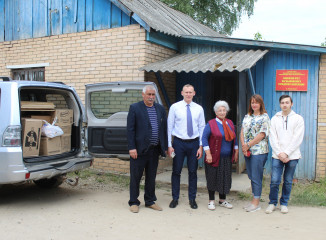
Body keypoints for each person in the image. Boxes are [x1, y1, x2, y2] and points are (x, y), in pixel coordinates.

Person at [127, 85, 167, 213]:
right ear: (143, 95)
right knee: (136, 177)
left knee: (151, 177)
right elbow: (130, 130)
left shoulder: (160, 109)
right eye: (149, 94)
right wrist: (132, 147)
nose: (151, 97)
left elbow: (164, 130)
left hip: (154, 150)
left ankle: (150, 201)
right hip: (138, 151)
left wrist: (164, 147)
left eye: (153, 95)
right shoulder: (135, 108)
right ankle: (133, 202)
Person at [168, 84, 205, 209]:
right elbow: (169, 127)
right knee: (176, 171)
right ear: (182, 93)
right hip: (178, 143)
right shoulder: (175, 107)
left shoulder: (199, 108)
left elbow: (202, 128)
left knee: (193, 172)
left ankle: (192, 199)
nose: (188, 94)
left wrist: (201, 146)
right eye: (186, 92)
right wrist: (169, 145)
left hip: (194, 143)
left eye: (190, 92)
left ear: (194, 93)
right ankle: (175, 198)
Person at [265, 95, 304, 214]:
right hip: (277, 155)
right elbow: (272, 137)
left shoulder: (298, 119)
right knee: (275, 180)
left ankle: (284, 203)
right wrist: (280, 153)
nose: (285, 105)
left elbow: (297, 138)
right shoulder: (275, 119)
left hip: (293, 156)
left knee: (287, 180)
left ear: (291, 104)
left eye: (287, 102)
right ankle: (272, 203)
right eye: (282, 103)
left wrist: (286, 153)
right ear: (280, 104)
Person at [202, 100, 239, 210]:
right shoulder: (211, 124)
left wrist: (236, 151)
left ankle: (222, 200)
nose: (222, 112)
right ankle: (211, 201)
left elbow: (234, 138)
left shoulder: (230, 123)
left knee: (225, 178)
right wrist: (208, 154)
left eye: (224, 110)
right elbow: (204, 138)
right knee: (212, 178)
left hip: (226, 157)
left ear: (226, 111)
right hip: (214, 156)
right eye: (220, 110)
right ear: (216, 112)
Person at [240, 94, 270, 212]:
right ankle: (253, 200)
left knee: (256, 176)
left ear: (261, 104)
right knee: (251, 176)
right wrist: (243, 145)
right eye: (252, 102)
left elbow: (262, 134)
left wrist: (248, 145)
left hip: (259, 151)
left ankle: (256, 203)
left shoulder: (265, 117)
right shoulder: (247, 116)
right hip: (247, 151)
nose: (254, 104)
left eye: (256, 102)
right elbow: (242, 131)